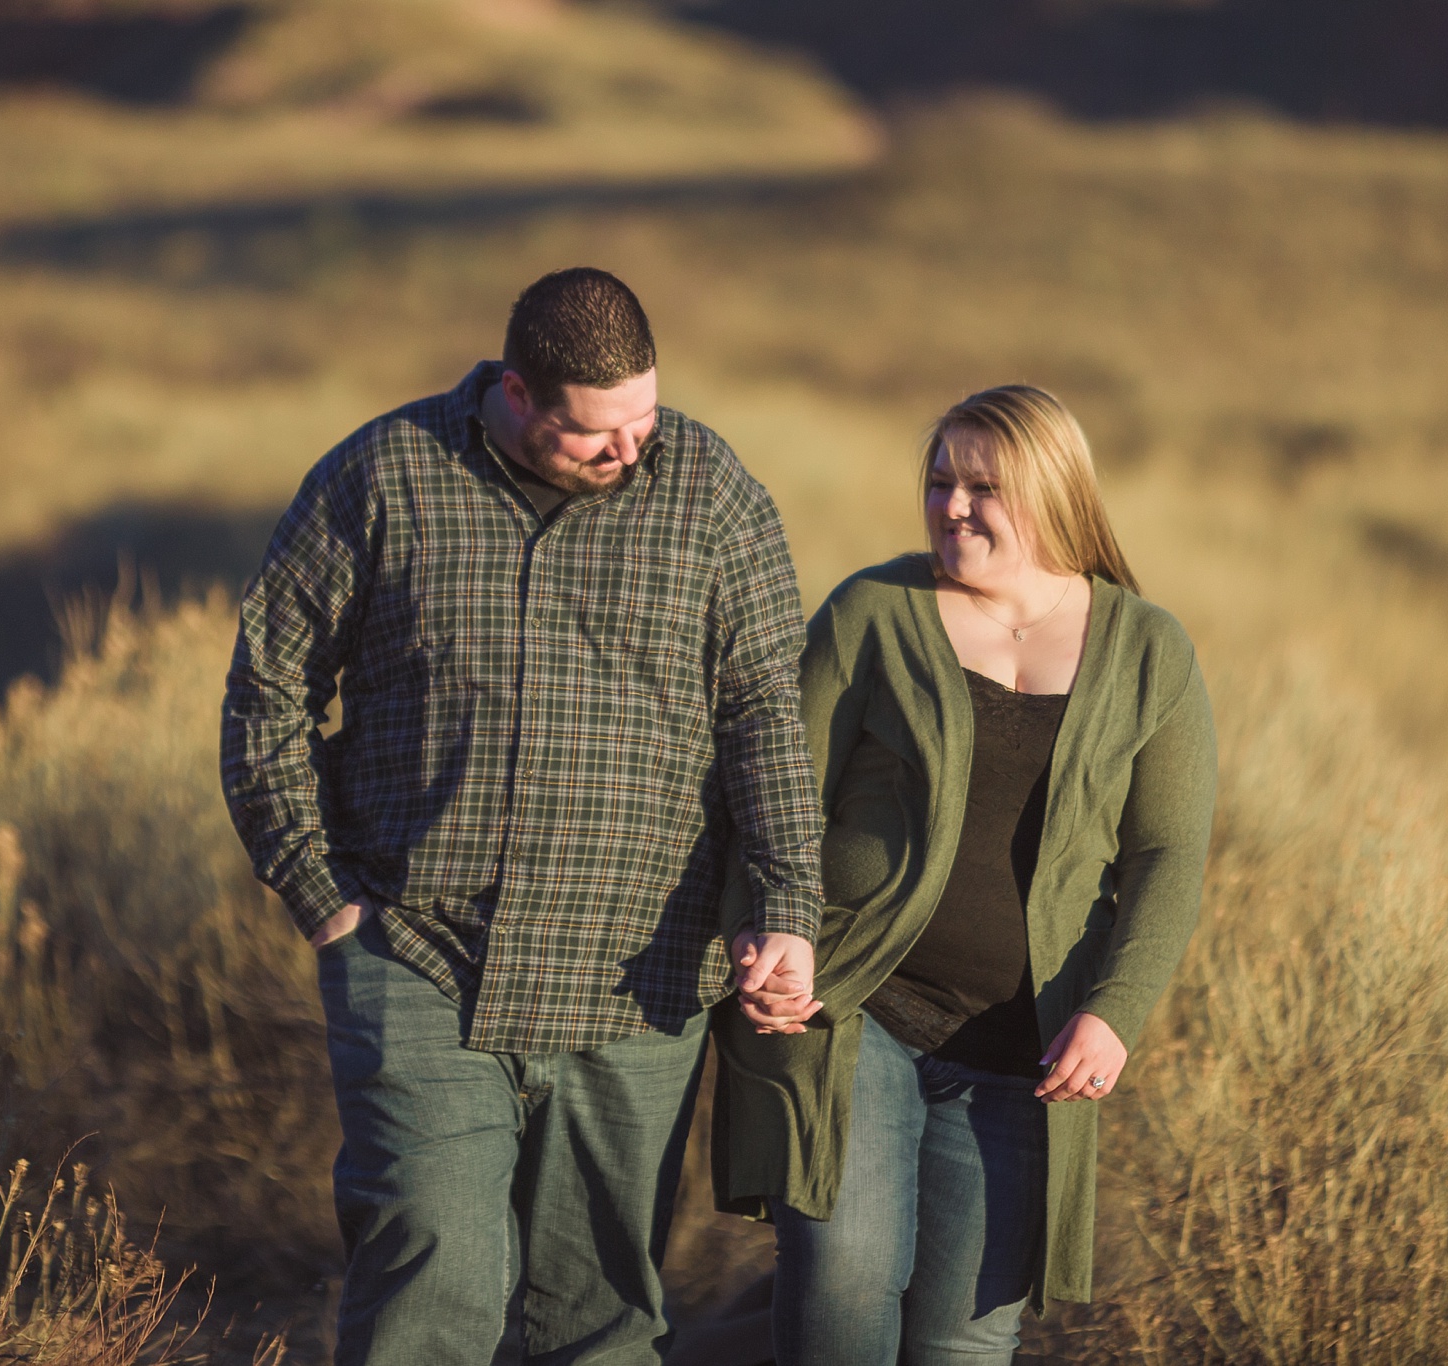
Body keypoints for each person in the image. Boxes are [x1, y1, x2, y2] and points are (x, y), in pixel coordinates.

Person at [220, 267, 825, 1366]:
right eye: (595, 434)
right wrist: (321, 896)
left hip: (637, 979)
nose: (630, 453)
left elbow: (765, 718)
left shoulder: (713, 494)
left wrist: (785, 905)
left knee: (598, 1320)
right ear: (515, 391)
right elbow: (268, 691)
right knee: (429, 1274)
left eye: (643, 420)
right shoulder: (383, 476)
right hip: (417, 959)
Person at [715, 384, 1217, 1366]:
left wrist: (1113, 1010)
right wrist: (765, 930)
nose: (949, 504)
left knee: (964, 1333)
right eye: (938, 479)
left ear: (1053, 493)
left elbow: (1167, 854)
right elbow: (773, 793)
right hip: (856, 1012)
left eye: (980, 486)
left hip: (1027, 1054)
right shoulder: (874, 611)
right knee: (842, 1289)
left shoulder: (1148, 650)